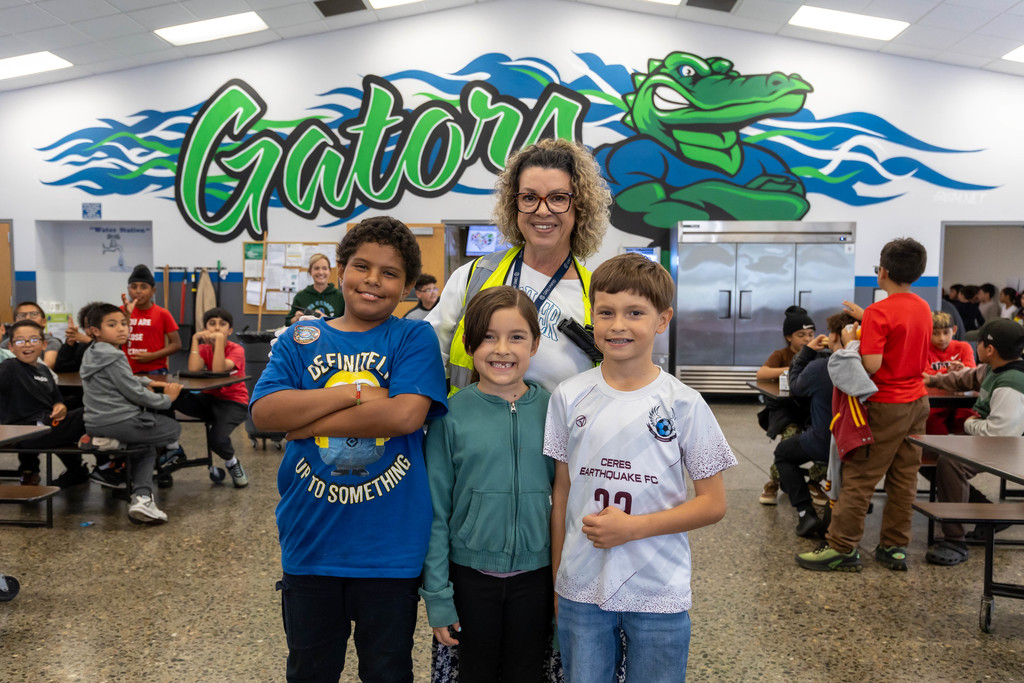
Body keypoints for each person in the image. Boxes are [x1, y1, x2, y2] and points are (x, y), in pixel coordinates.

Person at [250, 216, 448, 683]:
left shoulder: (412, 337)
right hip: (311, 542)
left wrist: (307, 420)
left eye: (390, 273)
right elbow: (265, 415)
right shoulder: (303, 338)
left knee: (387, 671)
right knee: (310, 671)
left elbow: (405, 416)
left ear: (405, 288)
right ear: (340, 269)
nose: (373, 281)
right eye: (362, 266)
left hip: (390, 548)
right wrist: (357, 392)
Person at [545, 254, 736, 683]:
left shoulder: (685, 403)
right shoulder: (568, 396)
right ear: (591, 316)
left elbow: (713, 504)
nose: (618, 325)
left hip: (657, 583)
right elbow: (562, 495)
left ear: (662, 319)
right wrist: (560, 578)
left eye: (635, 313)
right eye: (606, 312)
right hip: (581, 585)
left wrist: (634, 528)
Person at [421, 286, 552, 682]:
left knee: (526, 673)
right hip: (470, 577)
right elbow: (435, 511)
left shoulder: (554, 411)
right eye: (489, 337)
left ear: (536, 343)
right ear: (468, 343)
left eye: (516, 337)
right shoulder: (450, 415)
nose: (502, 349)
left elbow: (567, 500)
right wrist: (439, 598)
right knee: (474, 673)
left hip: (537, 577)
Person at [427, 137, 611, 394]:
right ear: (514, 204)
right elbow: (424, 360)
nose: (542, 210)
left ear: (579, 207)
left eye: (558, 198)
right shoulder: (474, 277)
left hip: (558, 435)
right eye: (529, 197)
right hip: (471, 430)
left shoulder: (597, 295)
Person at [797, 238, 932, 572]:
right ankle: (894, 547)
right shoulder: (922, 307)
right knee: (904, 477)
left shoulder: (879, 312)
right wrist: (868, 320)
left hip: (885, 405)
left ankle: (842, 547)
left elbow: (871, 364)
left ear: (882, 272)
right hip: (918, 402)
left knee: (860, 475)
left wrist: (852, 340)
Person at [923, 318, 1024, 566]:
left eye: (979, 342)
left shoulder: (1011, 383)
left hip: (1009, 447)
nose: (975, 346)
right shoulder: (994, 367)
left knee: (951, 462)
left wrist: (969, 423)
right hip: (991, 439)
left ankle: (955, 541)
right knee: (923, 453)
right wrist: (933, 380)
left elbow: (1001, 435)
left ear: (990, 349)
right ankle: (986, 512)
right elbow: (966, 378)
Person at [80, 303, 182, 524]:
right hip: (119, 420)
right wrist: (167, 399)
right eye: (112, 324)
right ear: (95, 330)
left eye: (124, 324)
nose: (121, 329)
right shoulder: (115, 356)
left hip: (95, 421)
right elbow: (135, 394)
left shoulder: (94, 352)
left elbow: (124, 379)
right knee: (173, 429)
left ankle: (142, 499)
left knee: (145, 448)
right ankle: (119, 446)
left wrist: (148, 380)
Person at [776, 311, 857, 538]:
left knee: (783, 454)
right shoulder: (872, 365)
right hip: (862, 443)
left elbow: (795, 386)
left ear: (834, 337)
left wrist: (807, 351)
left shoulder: (822, 367)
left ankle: (805, 513)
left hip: (824, 441)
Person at [0, 320, 89, 487]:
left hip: (47, 424)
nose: (27, 345)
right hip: (26, 433)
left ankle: (78, 470)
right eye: (20, 341)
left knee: (82, 406)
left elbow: (57, 400)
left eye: (34, 340)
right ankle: (107, 464)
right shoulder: (9, 367)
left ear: (43, 345)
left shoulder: (44, 370)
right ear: (11, 347)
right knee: (91, 413)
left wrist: (60, 407)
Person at [171, 307, 250, 488]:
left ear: (229, 331)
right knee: (169, 398)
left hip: (233, 402)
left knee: (218, 439)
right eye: (211, 324)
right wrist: (194, 340)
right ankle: (171, 448)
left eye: (222, 325)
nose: (216, 328)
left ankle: (232, 463)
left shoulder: (236, 350)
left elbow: (217, 370)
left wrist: (220, 342)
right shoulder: (204, 347)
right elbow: (193, 370)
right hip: (208, 400)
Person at [756, 305, 816, 505]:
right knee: (790, 437)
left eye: (811, 334)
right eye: (801, 335)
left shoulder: (819, 355)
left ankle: (814, 482)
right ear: (789, 337)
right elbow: (762, 374)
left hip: (811, 411)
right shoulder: (781, 355)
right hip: (785, 411)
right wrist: (791, 369)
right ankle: (774, 480)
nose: (807, 339)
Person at [924, 310, 977, 435]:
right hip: (934, 402)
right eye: (935, 333)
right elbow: (925, 374)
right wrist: (949, 370)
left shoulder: (963, 347)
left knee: (967, 421)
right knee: (935, 431)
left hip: (962, 400)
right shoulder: (923, 348)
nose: (941, 338)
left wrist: (960, 369)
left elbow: (971, 370)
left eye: (945, 333)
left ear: (953, 330)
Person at [123, 264, 181, 375]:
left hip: (155, 370)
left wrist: (153, 356)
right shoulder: (120, 311)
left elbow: (176, 344)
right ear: (128, 290)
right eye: (134, 287)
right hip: (126, 370)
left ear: (153, 291)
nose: (138, 291)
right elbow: (117, 340)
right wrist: (127, 315)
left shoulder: (162, 313)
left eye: (144, 287)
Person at [286, 252, 345, 325]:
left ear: (329, 271)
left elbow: (347, 323)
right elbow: (287, 322)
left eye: (324, 268)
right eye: (316, 268)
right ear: (310, 271)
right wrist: (296, 319)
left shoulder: (341, 297)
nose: (320, 272)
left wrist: (327, 320)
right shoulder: (300, 296)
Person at [0, 302, 61, 368]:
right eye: (22, 315)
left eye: (33, 314)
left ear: (44, 322)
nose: (27, 318)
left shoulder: (51, 341)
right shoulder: (7, 343)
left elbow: (47, 365)